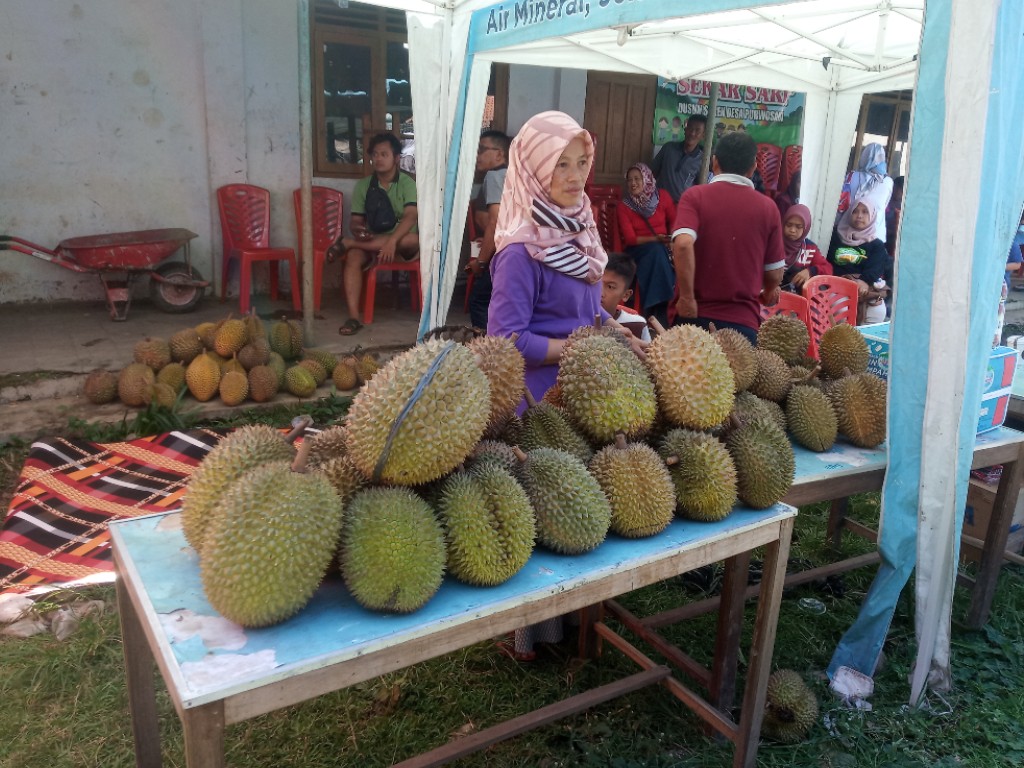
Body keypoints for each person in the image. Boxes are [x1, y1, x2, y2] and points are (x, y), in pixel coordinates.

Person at [487, 111, 646, 661]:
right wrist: (572, 350)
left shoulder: (580, 232)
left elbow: (589, 311)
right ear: (533, 167)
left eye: (582, 162)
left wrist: (621, 336)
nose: (574, 175)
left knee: (579, 510)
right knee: (544, 510)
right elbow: (505, 340)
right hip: (535, 399)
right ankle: (530, 636)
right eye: (561, 164)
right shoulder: (517, 251)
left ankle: (576, 624)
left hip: (584, 391)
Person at [669, 131, 786, 344]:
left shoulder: (695, 196)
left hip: (694, 318)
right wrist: (769, 291)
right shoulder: (768, 208)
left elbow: (683, 244)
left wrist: (687, 298)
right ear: (753, 167)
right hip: (742, 326)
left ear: (715, 162)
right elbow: (775, 271)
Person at [331, 133, 419, 336]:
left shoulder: (407, 183)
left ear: (396, 158)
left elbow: (410, 217)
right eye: (375, 154)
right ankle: (354, 317)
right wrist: (358, 231)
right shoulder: (364, 185)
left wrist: (392, 242)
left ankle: (348, 243)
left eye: (384, 154)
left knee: (413, 239)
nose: (378, 158)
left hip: (403, 244)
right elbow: (356, 221)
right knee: (353, 257)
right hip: (373, 242)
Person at [615, 162, 676, 327]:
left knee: (658, 253)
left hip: (662, 249)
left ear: (647, 179)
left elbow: (675, 220)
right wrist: (657, 239)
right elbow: (631, 239)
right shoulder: (624, 206)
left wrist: (672, 240)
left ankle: (653, 308)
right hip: (637, 251)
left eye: (637, 179)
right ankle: (659, 308)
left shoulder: (663, 197)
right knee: (655, 252)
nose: (633, 183)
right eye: (629, 180)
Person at [467, 129, 511, 330]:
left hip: (501, 253)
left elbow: (495, 222)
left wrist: (481, 261)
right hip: (510, 250)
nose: (477, 155)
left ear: (499, 154)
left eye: (482, 150)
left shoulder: (495, 176)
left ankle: (486, 352)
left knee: (478, 301)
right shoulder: (510, 176)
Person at [827, 200, 890, 324]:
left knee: (878, 312)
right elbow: (829, 264)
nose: (859, 215)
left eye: (865, 212)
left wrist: (864, 281)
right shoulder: (835, 238)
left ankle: (864, 342)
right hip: (838, 287)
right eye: (855, 211)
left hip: (865, 288)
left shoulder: (876, 245)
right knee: (842, 311)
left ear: (872, 216)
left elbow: (876, 268)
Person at [836, 142, 894, 244]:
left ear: (863, 157)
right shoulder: (888, 182)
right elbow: (884, 206)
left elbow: (842, 205)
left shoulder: (851, 176)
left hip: (849, 235)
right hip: (876, 236)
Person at [650, 114, 707, 203]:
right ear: (685, 129)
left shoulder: (703, 159)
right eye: (690, 128)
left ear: (703, 135)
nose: (692, 133)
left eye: (697, 130)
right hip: (659, 202)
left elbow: (701, 187)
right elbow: (653, 173)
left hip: (682, 206)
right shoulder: (668, 148)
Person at [601, 253, 652, 342]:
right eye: (596, 284)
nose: (600, 293)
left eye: (610, 287)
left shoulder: (637, 324)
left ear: (626, 295)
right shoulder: (577, 319)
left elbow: (647, 354)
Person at [781, 204, 831, 292]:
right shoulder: (774, 244)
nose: (792, 230)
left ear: (806, 227)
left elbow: (828, 269)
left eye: (798, 226)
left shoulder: (810, 248)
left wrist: (810, 271)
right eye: (789, 225)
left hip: (795, 297)